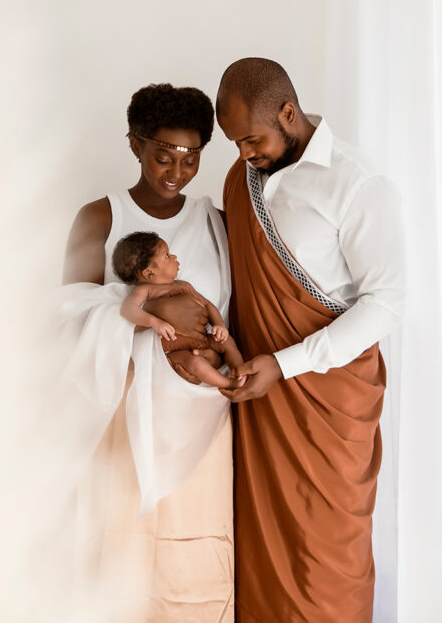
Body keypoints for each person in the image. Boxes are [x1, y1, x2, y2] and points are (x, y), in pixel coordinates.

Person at [214, 57, 406, 621]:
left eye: (252, 139)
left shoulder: (359, 183)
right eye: (235, 143)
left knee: (327, 566)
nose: (244, 154)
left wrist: (287, 362)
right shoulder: (242, 178)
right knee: (261, 557)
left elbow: (388, 302)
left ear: (289, 113)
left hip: (331, 404)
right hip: (260, 402)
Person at [60, 83, 235, 621]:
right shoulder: (99, 217)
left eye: (192, 157)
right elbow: (65, 311)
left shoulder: (215, 221)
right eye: (163, 154)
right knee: (118, 550)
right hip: (122, 409)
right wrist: (147, 315)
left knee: (193, 554)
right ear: (135, 145)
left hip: (201, 418)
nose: (176, 170)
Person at [112, 231, 246, 390]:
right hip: (176, 351)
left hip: (202, 340)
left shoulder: (183, 285)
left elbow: (208, 305)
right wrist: (155, 322)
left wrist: (219, 325)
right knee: (194, 363)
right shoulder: (145, 290)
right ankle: (229, 384)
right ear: (149, 272)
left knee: (226, 341)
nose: (174, 257)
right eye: (167, 255)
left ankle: (240, 371)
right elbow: (127, 310)